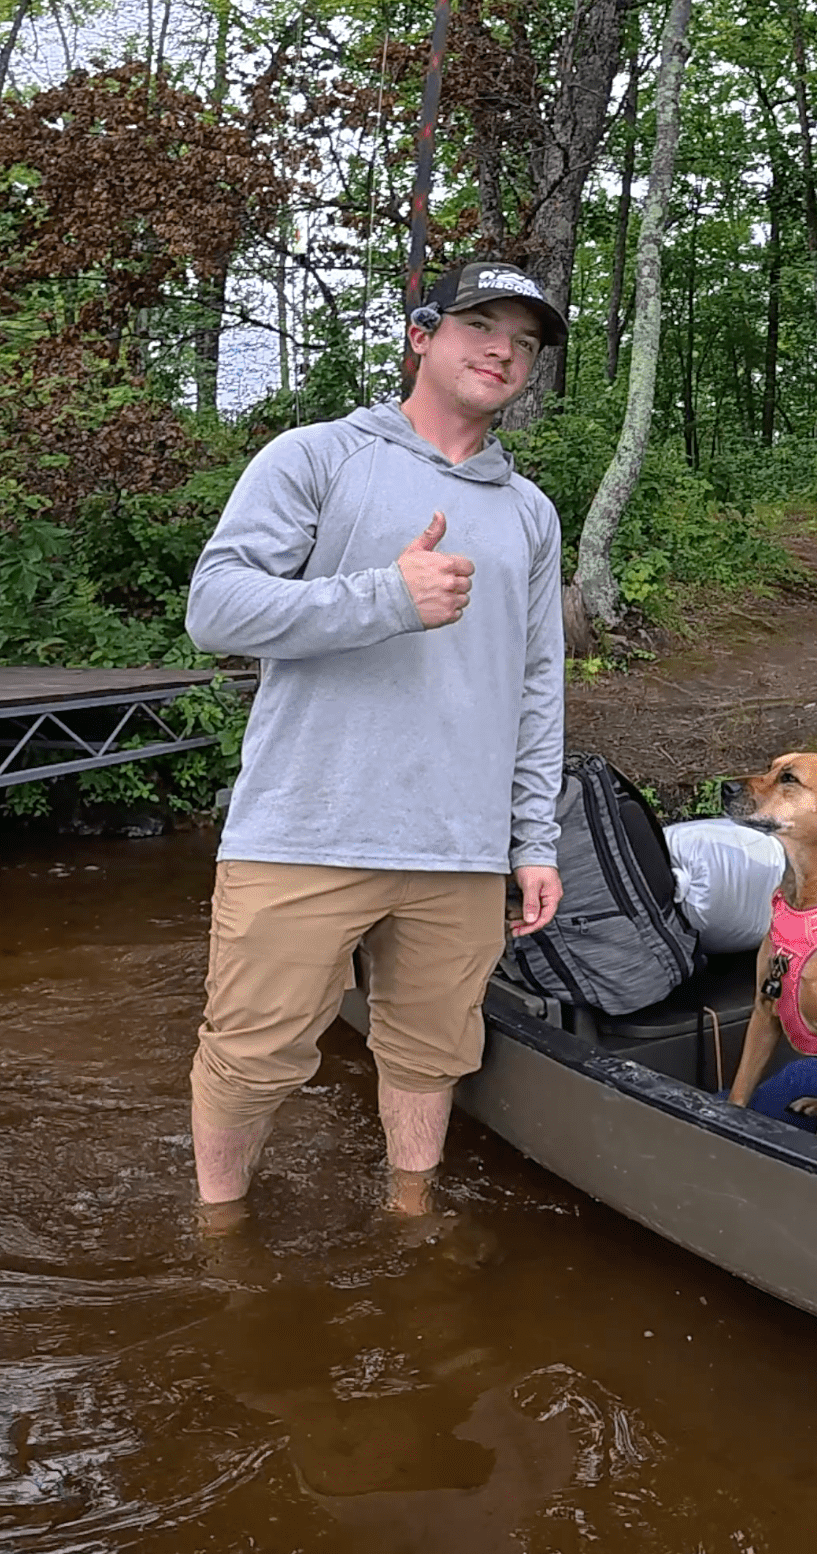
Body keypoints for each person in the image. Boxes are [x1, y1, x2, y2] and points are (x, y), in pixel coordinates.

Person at [182, 261, 570, 1220]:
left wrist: (533, 841)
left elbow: (535, 687)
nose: (502, 351)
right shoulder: (317, 457)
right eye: (481, 324)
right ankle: (218, 1232)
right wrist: (385, 598)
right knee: (252, 1052)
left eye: (524, 342)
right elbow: (216, 608)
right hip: (304, 831)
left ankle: (410, 1219)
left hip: (460, 848)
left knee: (433, 1051)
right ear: (421, 335)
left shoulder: (530, 513)